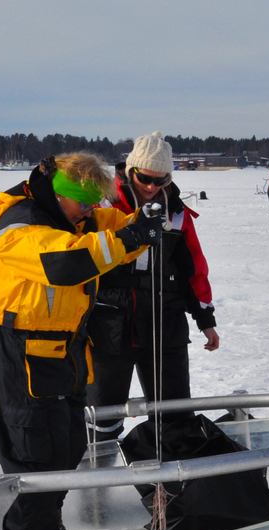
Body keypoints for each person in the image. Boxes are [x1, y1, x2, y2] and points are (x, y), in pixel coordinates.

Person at [0, 153, 162, 530]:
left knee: (68, 445)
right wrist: (132, 238)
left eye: (92, 205)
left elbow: (114, 229)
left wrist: (145, 219)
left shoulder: (71, 217)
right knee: (35, 452)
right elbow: (67, 262)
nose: (89, 212)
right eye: (83, 203)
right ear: (60, 194)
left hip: (64, 347)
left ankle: (47, 529)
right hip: (22, 349)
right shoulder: (17, 225)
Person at [86, 132, 219, 442]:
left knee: (175, 415)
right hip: (109, 326)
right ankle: (97, 488)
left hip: (165, 322)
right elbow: (76, 262)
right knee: (102, 417)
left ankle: (173, 487)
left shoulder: (177, 214)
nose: (151, 186)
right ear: (130, 170)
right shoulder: (101, 207)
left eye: (160, 181)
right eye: (144, 177)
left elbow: (194, 269)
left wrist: (206, 320)